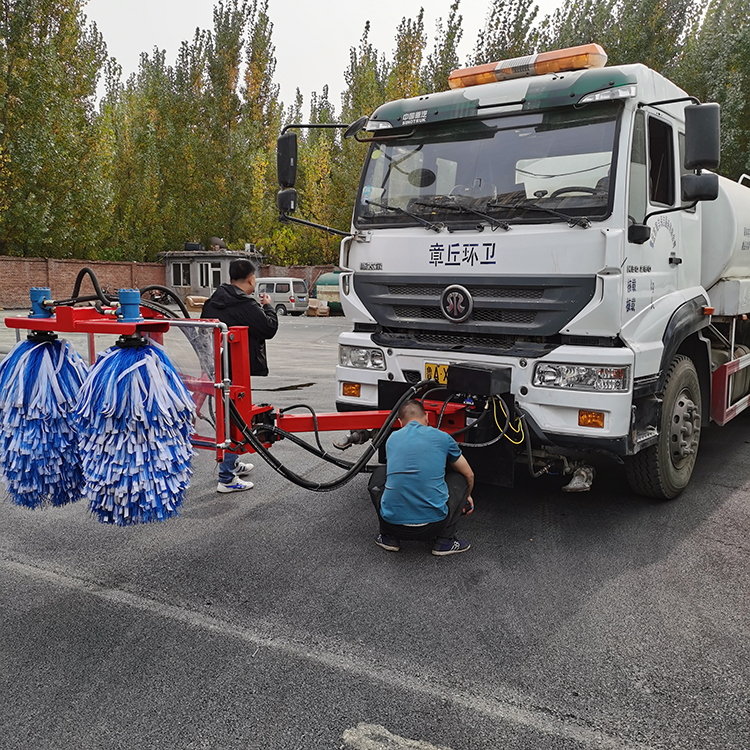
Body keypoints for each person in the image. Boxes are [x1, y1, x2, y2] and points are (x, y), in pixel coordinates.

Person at [201, 258, 278, 493]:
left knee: (226, 419)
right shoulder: (245, 304)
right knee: (236, 421)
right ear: (251, 279)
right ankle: (226, 478)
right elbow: (269, 328)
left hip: (218, 370)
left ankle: (232, 464)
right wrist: (268, 306)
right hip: (237, 373)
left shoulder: (215, 299)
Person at [368, 399, 475, 556]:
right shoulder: (443, 437)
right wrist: (468, 496)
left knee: (379, 474)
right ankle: (445, 541)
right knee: (460, 478)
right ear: (426, 418)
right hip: (434, 526)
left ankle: (388, 537)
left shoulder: (392, 439)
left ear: (400, 422)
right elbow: (469, 474)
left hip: (393, 524)